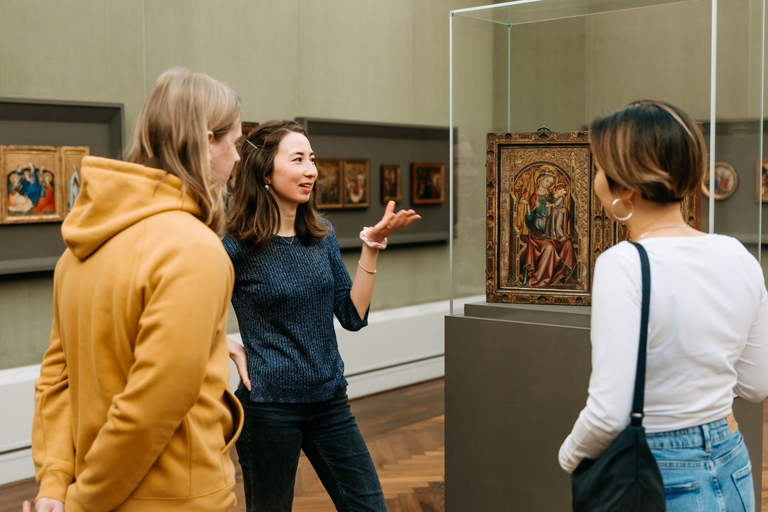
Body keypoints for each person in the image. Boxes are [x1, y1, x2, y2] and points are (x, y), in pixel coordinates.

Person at [26, 67, 245, 512]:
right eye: (236, 142)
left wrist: (56, 485)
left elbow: (55, 382)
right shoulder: (195, 248)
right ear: (207, 141)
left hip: (96, 489)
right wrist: (83, 503)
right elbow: (152, 404)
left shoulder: (77, 250)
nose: (239, 157)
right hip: (174, 500)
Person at [558, 100, 768, 511]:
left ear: (627, 188)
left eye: (600, 169)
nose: (596, 179)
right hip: (733, 464)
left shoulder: (623, 263)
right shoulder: (738, 255)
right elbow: (756, 386)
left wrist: (568, 456)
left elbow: (608, 413)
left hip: (660, 472)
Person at [223, 120, 420, 512]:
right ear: (265, 171)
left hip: (329, 399)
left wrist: (372, 247)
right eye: (297, 159)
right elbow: (191, 307)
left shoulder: (321, 234)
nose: (311, 169)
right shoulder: (236, 247)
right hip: (268, 408)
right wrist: (222, 342)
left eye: (312, 159)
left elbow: (352, 315)